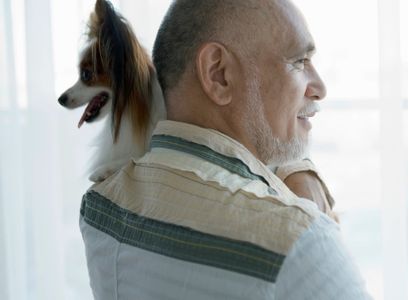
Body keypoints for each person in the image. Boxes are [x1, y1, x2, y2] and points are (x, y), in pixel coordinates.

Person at [79, 0, 371, 299]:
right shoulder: (301, 244)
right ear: (218, 73)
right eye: (299, 61)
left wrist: (294, 166)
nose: (320, 87)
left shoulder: (100, 207)